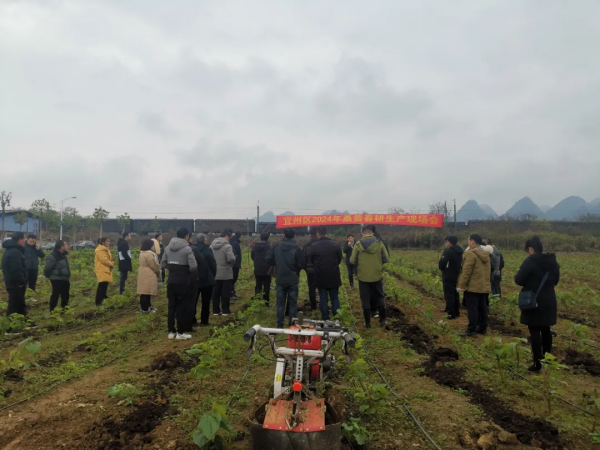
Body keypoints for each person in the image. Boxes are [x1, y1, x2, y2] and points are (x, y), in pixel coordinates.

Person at [515, 236, 560, 372]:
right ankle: (547, 359)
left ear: (530, 249)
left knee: (534, 329)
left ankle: (537, 363)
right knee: (546, 329)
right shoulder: (552, 261)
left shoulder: (530, 261)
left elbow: (518, 280)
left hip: (533, 300)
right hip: (549, 299)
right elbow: (556, 281)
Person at [350, 225, 389, 328]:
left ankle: (367, 323)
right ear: (372, 233)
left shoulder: (358, 245)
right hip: (377, 275)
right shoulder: (379, 244)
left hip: (363, 276)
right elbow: (386, 258)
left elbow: (352, 260)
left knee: (365, 298)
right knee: (380, 296)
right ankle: (383, 320)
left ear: (362, 234)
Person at [162, 228, 197, 340]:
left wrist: (172, 268)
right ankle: (180, 332)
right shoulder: (187, 249)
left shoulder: (168, 247)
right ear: (186, 236)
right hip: (183, 281)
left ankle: (171, 331)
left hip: (171, 280)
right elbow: (193, 266)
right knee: (181, 306)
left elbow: (163, 262)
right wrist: (185, 271)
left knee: (171, 306)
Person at [266, 228, 303, 328]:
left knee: (280, 304)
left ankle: (279, 325)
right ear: (294, 236)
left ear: (284, 235)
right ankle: (292, 325)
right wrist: (296, 270)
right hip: (293, 279)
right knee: (293, 303)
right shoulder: (297, 247)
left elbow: (268, 258)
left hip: (280, 278)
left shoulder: (276, 246)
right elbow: (301, 263)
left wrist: (277, 264)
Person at [457, 234, 491, 337]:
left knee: (472, 309)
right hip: (484, 286)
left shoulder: (471, 254)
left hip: (473, 286)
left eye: (468, 241)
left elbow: (466, 271)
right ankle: (483, 328)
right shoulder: (486, 254)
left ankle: (471, 329)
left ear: (472, 242)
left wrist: (461, 285)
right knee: (482, 307)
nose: (468, 243)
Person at [309, 226, 343, 321]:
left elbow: (312, 260)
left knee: (323, 298)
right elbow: (339, 259)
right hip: (333, 275)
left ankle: (325, 318)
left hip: (321, 275)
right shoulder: (335, 244)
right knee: (334, 298)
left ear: (317, 234)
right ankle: (337, 318)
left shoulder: (314, 245)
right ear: (326, 233)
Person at [1, 232, 29, 320]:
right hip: (15, 282)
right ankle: (10, 325)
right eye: (24, 239)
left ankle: (23, 320)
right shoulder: (15, 252)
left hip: (13, 281)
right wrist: (22, 281)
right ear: (20, 240)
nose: (25, 240)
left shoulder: (11, 250)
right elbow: (16, 269)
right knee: (14, 304)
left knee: (19, 302)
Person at [210, 230, 236, 316]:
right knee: (225, 292)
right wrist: (234, 258)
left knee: (215, 292)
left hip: (215, 272)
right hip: (226, 273)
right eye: (229, 238)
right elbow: (230, 259)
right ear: (226, 237)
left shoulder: (211, 246)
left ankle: (215, 310)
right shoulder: (228, 246)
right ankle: (225, 310)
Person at [438, 236, 464, 320]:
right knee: (455, 293)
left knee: (449, 294)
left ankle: (451, 313)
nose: (446, 243)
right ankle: (456, 311)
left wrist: (442, 269)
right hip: (456, 273)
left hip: (448, 274)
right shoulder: (459, 250)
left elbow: (443, 262)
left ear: (449, 242)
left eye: (446, 241)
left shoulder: (449, 251)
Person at [185, 234, 206, 331]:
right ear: (187, 238)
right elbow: (201, 261)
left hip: (179, 278)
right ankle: (190, 322)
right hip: (194, 277)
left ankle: (182, 323)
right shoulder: (193, 249)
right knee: (192, 300)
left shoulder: (171, 248)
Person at [195, 234, 217, 326]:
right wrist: (213, 275)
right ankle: (204, 321)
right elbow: (213, 264)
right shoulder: (207, 250)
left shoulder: (192, 249)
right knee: (206, 301)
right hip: (206, 279)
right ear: (205, 241)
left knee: (193, 301)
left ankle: (192, 320)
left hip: (195, 278)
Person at [44, 240, 71, 311]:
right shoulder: (53, 256)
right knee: (55, 295)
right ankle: (52, 310)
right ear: (61, 247)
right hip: (57, 279)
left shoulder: (63, 255)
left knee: (65, 295)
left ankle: (65, 310)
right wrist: (51, 276)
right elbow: (47, 269)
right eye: (66, 245)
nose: (67, 246)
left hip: (65, 278)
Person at [137, 239, 161, 313]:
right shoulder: (149, 254)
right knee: (147, 292)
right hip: (149, 273)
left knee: (144, 292)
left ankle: (145, 307)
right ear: (150, 246)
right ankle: (146, 308)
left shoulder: (142, 253)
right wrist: (158, 271)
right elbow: (154, 265)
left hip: (142, 273)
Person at [251, 232, 272, 305]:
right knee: (267, 286)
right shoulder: (269, 247)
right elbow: (272, 257)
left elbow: (252, 256)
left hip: (257, 268)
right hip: (267, 270)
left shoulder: (255, 246)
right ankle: (266, 302)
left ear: (260, 237)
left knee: (258, 285)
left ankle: (257, 300)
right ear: (268, 238)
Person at [94, 237, 114, 306]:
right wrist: (111, 264)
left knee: (105, 284)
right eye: (107, 241)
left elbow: (110, 258)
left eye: (109, 241)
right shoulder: (101, 250)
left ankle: (103, 297)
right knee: (102, 285)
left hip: (105, 269)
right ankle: (98, 301)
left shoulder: (106, 250)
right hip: (102, 269)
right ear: (103, 242)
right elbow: (104, 260)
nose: (109, 242)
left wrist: (111, 262)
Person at [302, 227, 318, 310]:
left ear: (310, 235)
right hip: (322, 269)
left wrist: (306, 268)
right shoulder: (322, 243)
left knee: (311, 287)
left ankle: (313, 305)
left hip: (310, 269)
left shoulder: (306, 245)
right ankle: (323, 304)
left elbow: (303, 259)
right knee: (322, 287)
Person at [230, 231, 243, 300]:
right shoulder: (235, 243)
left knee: (233, 279)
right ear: (239, 236)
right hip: (235, 264)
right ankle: (231, 293)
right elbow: (235, 254)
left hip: (235, 264)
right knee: (233, 279)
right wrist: (237, 262)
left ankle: (232, 292)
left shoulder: (234, 242)